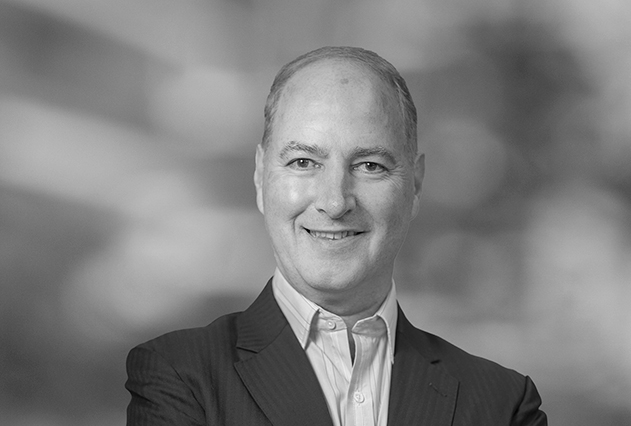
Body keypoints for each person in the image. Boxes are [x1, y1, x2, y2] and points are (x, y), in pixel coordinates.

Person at [125, 46, 548, 426]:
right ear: (260, 177)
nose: (334, 201)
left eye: (369, 166)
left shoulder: (502, 405)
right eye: (303, 162)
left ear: (415, 185)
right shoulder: (180, 377)